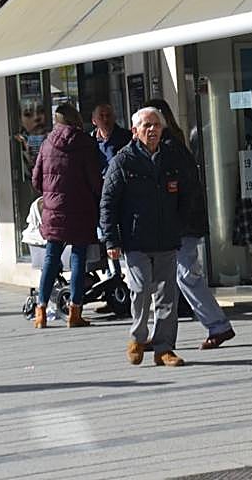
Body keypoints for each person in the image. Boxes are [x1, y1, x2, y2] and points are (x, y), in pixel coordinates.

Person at [100, 106, 198, 367]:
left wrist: (180, 223)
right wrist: (112, 240)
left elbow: (188, 192)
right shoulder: (122, 161)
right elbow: (108, 203)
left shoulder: (171, 157)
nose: (152, 130)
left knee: (168, 297)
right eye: (146, 126)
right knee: (141, 289)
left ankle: (164, 348)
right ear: (135, 131)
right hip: (135, 240)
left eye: (156, 125)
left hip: (166, 237)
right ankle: (138, 337)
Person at [144, 98, 235, 350]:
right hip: (181, 223)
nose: (147, 128)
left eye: (150, 123)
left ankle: (218, 326)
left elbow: (179, 189)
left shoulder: (169, 148)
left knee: (184, 276)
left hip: (180, 224)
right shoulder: (169, 145)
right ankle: (207, 327)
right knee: (172, 279)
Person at [31, 102, 103, 329]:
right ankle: (75, 311)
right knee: (78, 257)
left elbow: (36, 179)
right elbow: (95, 180)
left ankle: (41, 310)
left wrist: (50, 195)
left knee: (51, 258)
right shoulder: (85, 143)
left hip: (54, 210)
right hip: (81, 209)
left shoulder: (46, 144)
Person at [91, 102, 132, 173]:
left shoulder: (127, 137)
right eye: (101, 116)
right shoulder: (90, 141)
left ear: (114, 118)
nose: (105, 119)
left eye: (108, 115)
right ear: (94, 121)